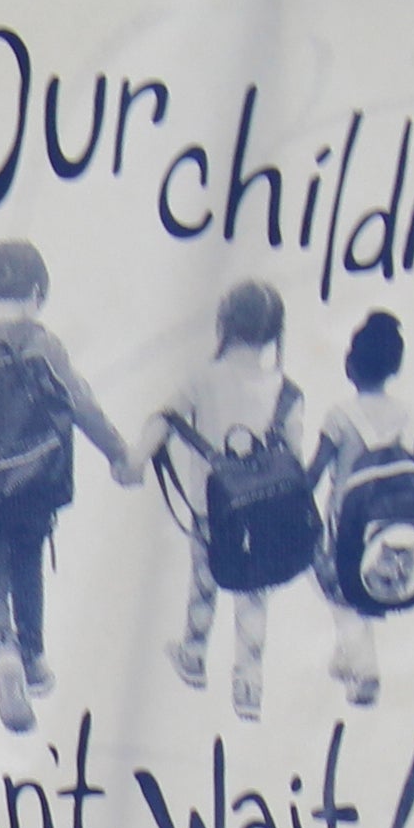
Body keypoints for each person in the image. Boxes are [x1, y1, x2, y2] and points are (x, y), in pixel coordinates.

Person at [0, 237, 135, 736]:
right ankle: (34, 654)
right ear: (37, 292)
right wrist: (120, 455)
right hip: (38, 484)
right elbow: (82, 405)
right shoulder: (42, 343)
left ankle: (3, 653)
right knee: (27, 560)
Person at [156, 278, 317, 720]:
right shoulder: (288, 391)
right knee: (253, 595)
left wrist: (132, 460)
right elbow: (294, 455)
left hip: (211, 511)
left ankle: (193, 655)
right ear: (274, 333)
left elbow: (164, 419)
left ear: (223, 323)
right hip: (263, 515)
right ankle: (248, 684)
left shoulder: (202, 379)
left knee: (204, 582)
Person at [308, 309, 414, 705]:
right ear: (395, 366)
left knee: (331, 578)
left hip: (347, 528)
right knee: (359, 587)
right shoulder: (412, 417)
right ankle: (346, 655)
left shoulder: (340, 416)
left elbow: (313, 475)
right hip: (399, 527)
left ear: (351, 364)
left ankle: (364, 671)